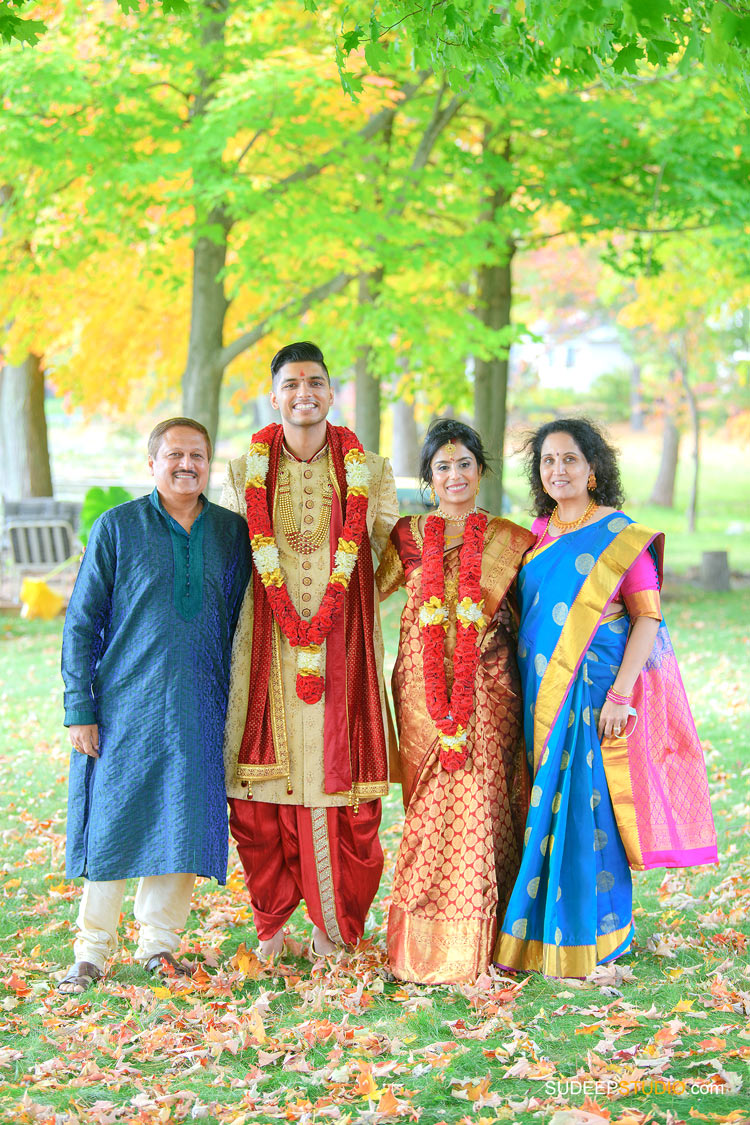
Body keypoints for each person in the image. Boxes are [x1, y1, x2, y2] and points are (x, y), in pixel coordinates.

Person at [495, 418, 717, 978]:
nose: (558, 470)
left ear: (593, 470)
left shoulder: (621, 536)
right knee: (544, 807)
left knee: (586, 810)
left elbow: (648, 620)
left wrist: (621, 694)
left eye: (570, 459)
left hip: (595, 697)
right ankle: (540, 929)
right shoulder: (534, 538)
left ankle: (597, 932)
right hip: (539, 697)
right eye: (547, 461)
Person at [58, 418, 252, 993]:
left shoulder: (231, 533)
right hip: (124, 706)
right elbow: (82, 623)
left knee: (181, 821)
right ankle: (91, 952)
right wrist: (79, 706)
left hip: (201, 705)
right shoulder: (117, 528)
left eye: (197, 455)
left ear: (209, 465)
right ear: (152, 464)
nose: (186, 464)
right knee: (112, 821)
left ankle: (160, 946)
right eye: (174, 454)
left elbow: (246, 623)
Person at [220, 341, 399, 959]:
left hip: (344, 652)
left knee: (340, 787)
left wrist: (340, 604)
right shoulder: (242, 469)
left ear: (331, 392)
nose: (305, 393)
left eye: (316, 382)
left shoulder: (371, 471)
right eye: (292, 384)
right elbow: (228, 556)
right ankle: (274, 926)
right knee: (257, 792)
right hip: (263, 651)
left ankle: (334, 930)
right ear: (274, 395)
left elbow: (393, 561)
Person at [376, 419, 535, 984]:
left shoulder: (512, 539)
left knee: (484, 799)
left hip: (489, 687)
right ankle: (423, 947)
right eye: (442, 467)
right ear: (429, 477)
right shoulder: (407, 536)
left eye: (463, 463)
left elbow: (536, 612)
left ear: (481, 469)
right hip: (420, 689)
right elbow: (361, 593)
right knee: (428, 807)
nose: (454, 475)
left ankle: (492, 942)